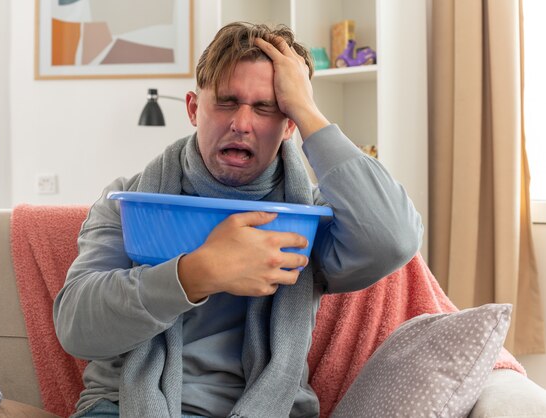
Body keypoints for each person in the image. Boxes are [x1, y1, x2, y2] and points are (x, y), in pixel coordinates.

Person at [53, 21, 423, 418]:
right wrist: (198, 273)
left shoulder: (311, 221)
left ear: (289, 125)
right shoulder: (128, 202)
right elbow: (77, 328)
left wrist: (309, 110)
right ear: (194, 109)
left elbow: (394, 239)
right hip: (124, 406)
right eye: (227, 102)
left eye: (267, 108)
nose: (242, 123)